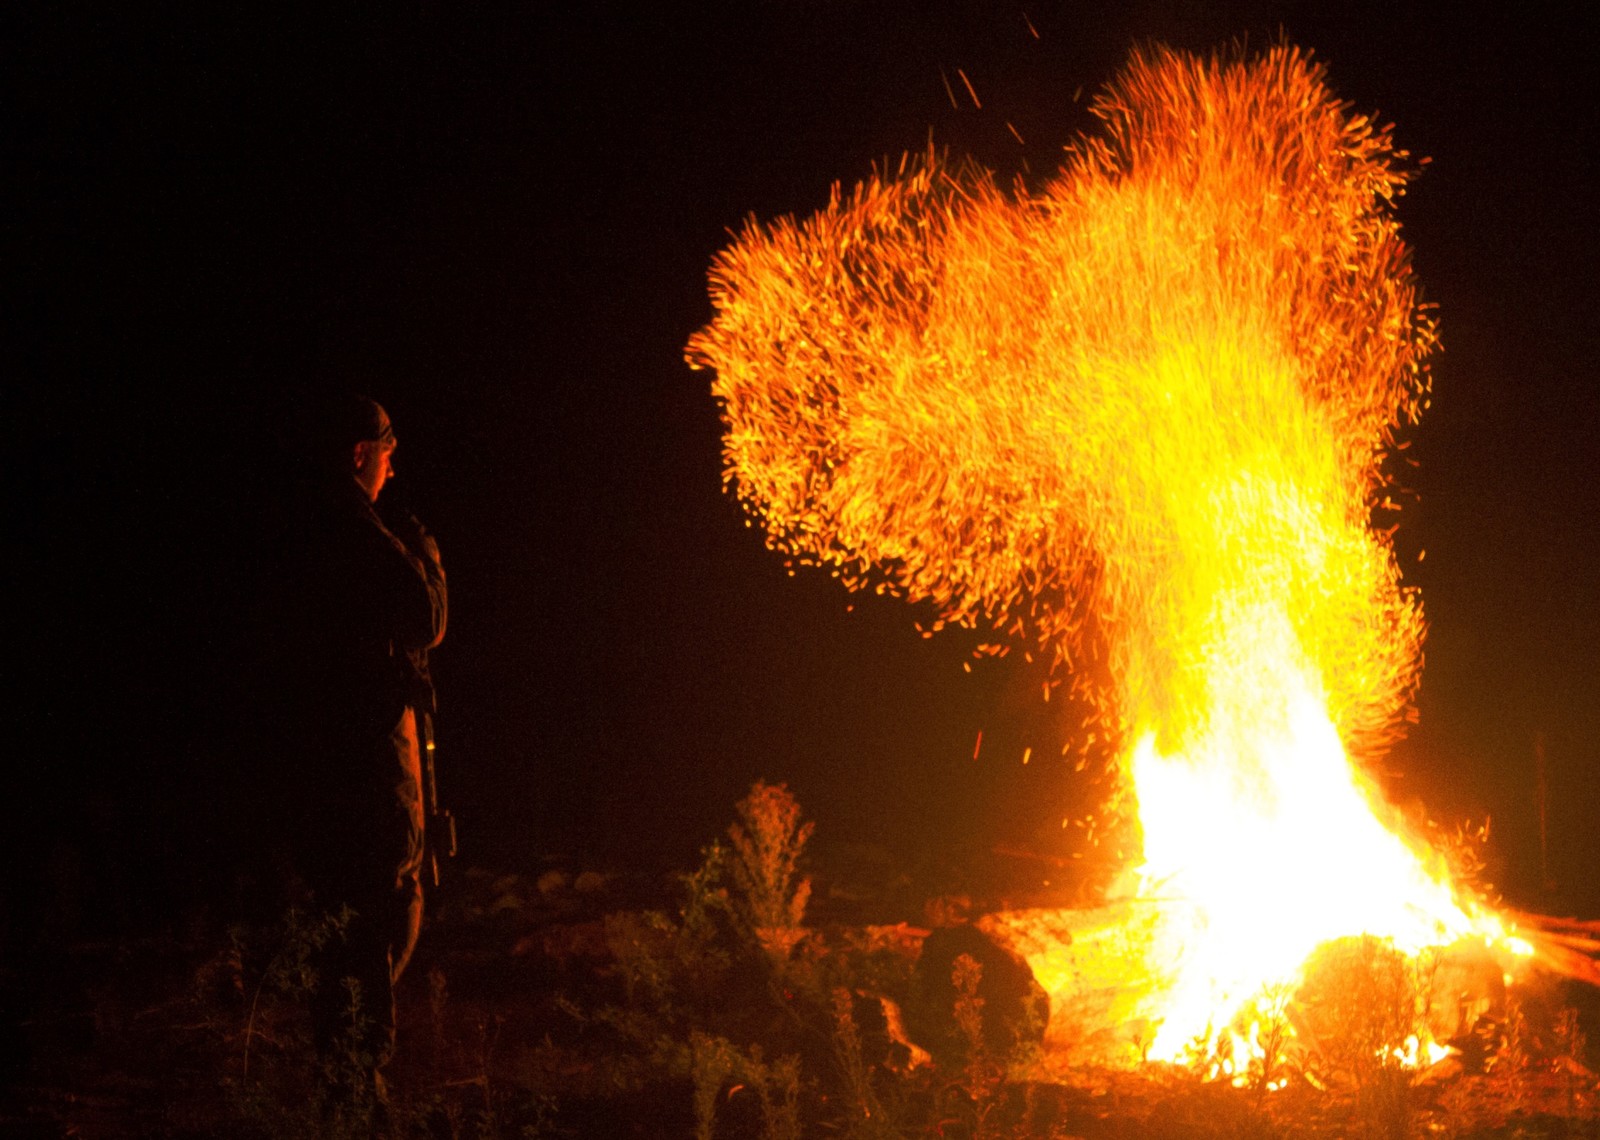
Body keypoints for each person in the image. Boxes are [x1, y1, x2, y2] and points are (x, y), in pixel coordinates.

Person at [278, 394, 447, 1099]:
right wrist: (425, 553)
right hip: (366, 770)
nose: (393, 467)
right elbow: (426, 618)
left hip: (327, 769)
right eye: (386, 451)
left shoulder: (300, 529)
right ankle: (357, 1094)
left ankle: (343, 1083)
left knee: (348, 923)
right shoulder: (350, 527)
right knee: (380, 912)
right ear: (359, 454)